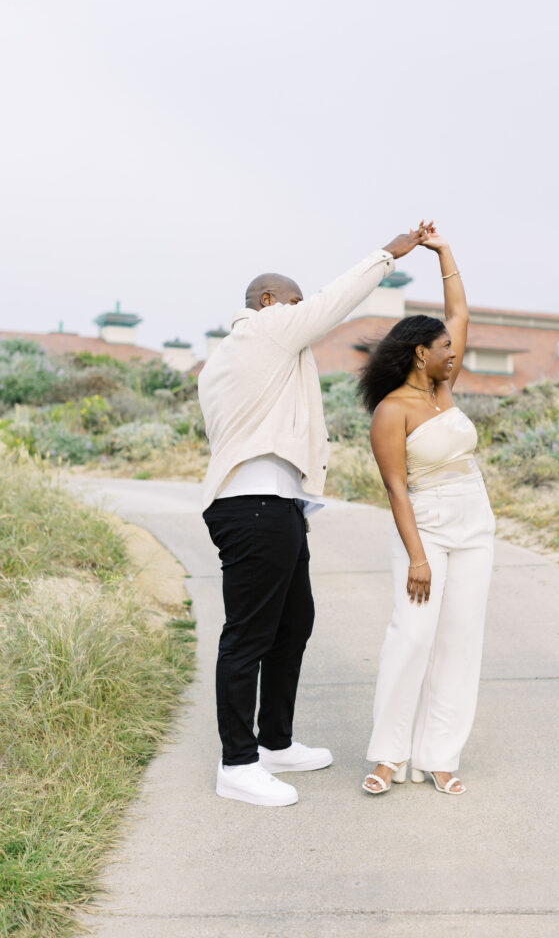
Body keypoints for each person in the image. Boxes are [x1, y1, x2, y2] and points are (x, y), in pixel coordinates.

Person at [198, 224, 430, 807]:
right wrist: (388, 255)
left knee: (292, 623)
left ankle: (275, 742)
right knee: (248, 635)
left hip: (274, 506)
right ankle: (237, 763)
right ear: (269, 302)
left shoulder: (245, 355)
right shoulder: (262, 330)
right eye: (293, 305)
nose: (302, 316)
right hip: (253, 507)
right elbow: (330, 305)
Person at [358, 225, 495, 796]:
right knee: (412, 635)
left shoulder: (445, 389)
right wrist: (418, 557)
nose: (453, 352)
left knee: (460, 640)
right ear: (421, 352)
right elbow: (395, 489)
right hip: (427, 528)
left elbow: (458, 310)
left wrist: (443, 252)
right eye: (444, 348)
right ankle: (388, 755)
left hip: (475, 524)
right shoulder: (393, 410)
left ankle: (441, 756)